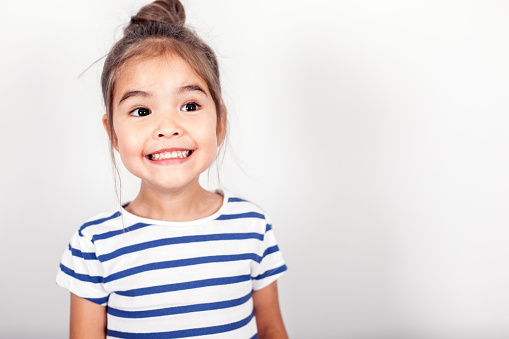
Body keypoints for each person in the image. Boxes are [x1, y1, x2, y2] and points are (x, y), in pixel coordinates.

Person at [55, 0, 288, 338]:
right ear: (113, 134)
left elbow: (271, 329)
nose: (167, 127)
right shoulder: (94, 245)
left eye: (190, 105)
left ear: (220, 123)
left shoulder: (253, 227)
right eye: (141, 111)